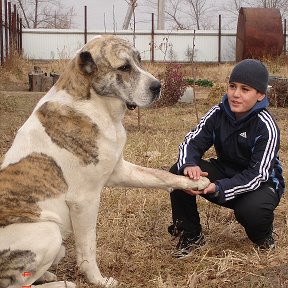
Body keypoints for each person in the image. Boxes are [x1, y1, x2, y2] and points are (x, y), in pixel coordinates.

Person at [168, 59, 285, 258]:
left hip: (261, 184)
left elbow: (258, 175)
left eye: (245, 89)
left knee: (252, 211)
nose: (236, 94)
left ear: (260, 95)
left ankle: (264, 236)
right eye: (232, 86)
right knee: (177, 173)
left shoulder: (266, 126)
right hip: (225, 171)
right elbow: (192, 143)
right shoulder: (218, 113)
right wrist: (189, 165)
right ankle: (191, 235)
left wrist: (220, 187)